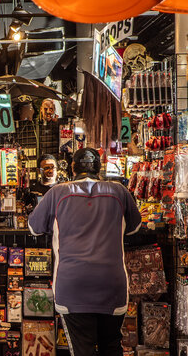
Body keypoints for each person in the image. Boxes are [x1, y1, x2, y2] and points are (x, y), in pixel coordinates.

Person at [27, 148, 142, 356]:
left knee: (82, 350)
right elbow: (134, 227)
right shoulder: (119, 191)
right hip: (111, 283)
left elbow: (34, 227)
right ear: (99, 168)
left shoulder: (57, 193)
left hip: (73, 286)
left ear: (72, 168)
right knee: (112, 346)